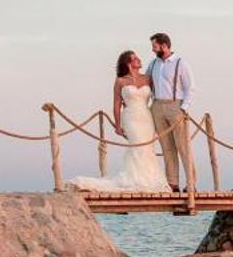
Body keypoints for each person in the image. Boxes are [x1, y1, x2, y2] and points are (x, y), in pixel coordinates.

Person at [68, 50, 169, 192]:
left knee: (147, 148)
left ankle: (148, 179)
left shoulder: (147, 79)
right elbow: (116, 104)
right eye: (135, 58)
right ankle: (136, 179)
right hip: (131, 118)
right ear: (128, 63)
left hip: (146, 118)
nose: (139, 60)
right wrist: (117, 124)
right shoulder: (120, 81)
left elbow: (157, 97)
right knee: (137, 146)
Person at [145, 32, 194, 191]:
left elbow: (190, 88)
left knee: (183, 147)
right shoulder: (153, 64)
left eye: (155, 46)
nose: (152, 49)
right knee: (167, 147)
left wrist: (183, 108)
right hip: (157, 106)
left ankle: (191, 183)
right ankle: (173, 184)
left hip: (176, 106)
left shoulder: (181, 63)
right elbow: (146, 83)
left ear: (164, 45)